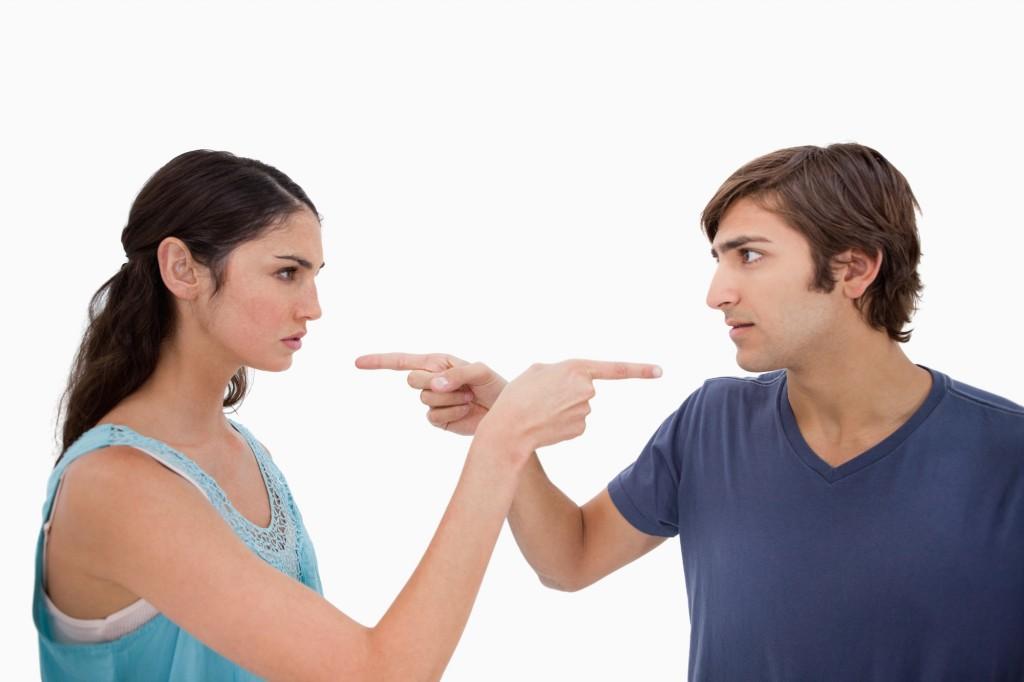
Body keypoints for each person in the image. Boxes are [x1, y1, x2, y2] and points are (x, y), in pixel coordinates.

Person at [359, 143, 1024, 680]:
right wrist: (507, 429)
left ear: (853, 270)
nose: (717, 292)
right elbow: (570, 559)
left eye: (751, 256)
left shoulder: (1007, 455)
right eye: (718, 259)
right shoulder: (711, 422)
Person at [33, 149, 661, 681]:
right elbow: (381, 672)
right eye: (286, 273)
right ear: (181, 269)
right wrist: (503, 440)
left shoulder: (244, 451)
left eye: (314, 276)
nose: (313, 306)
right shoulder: (117, 486)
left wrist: (504, 435)